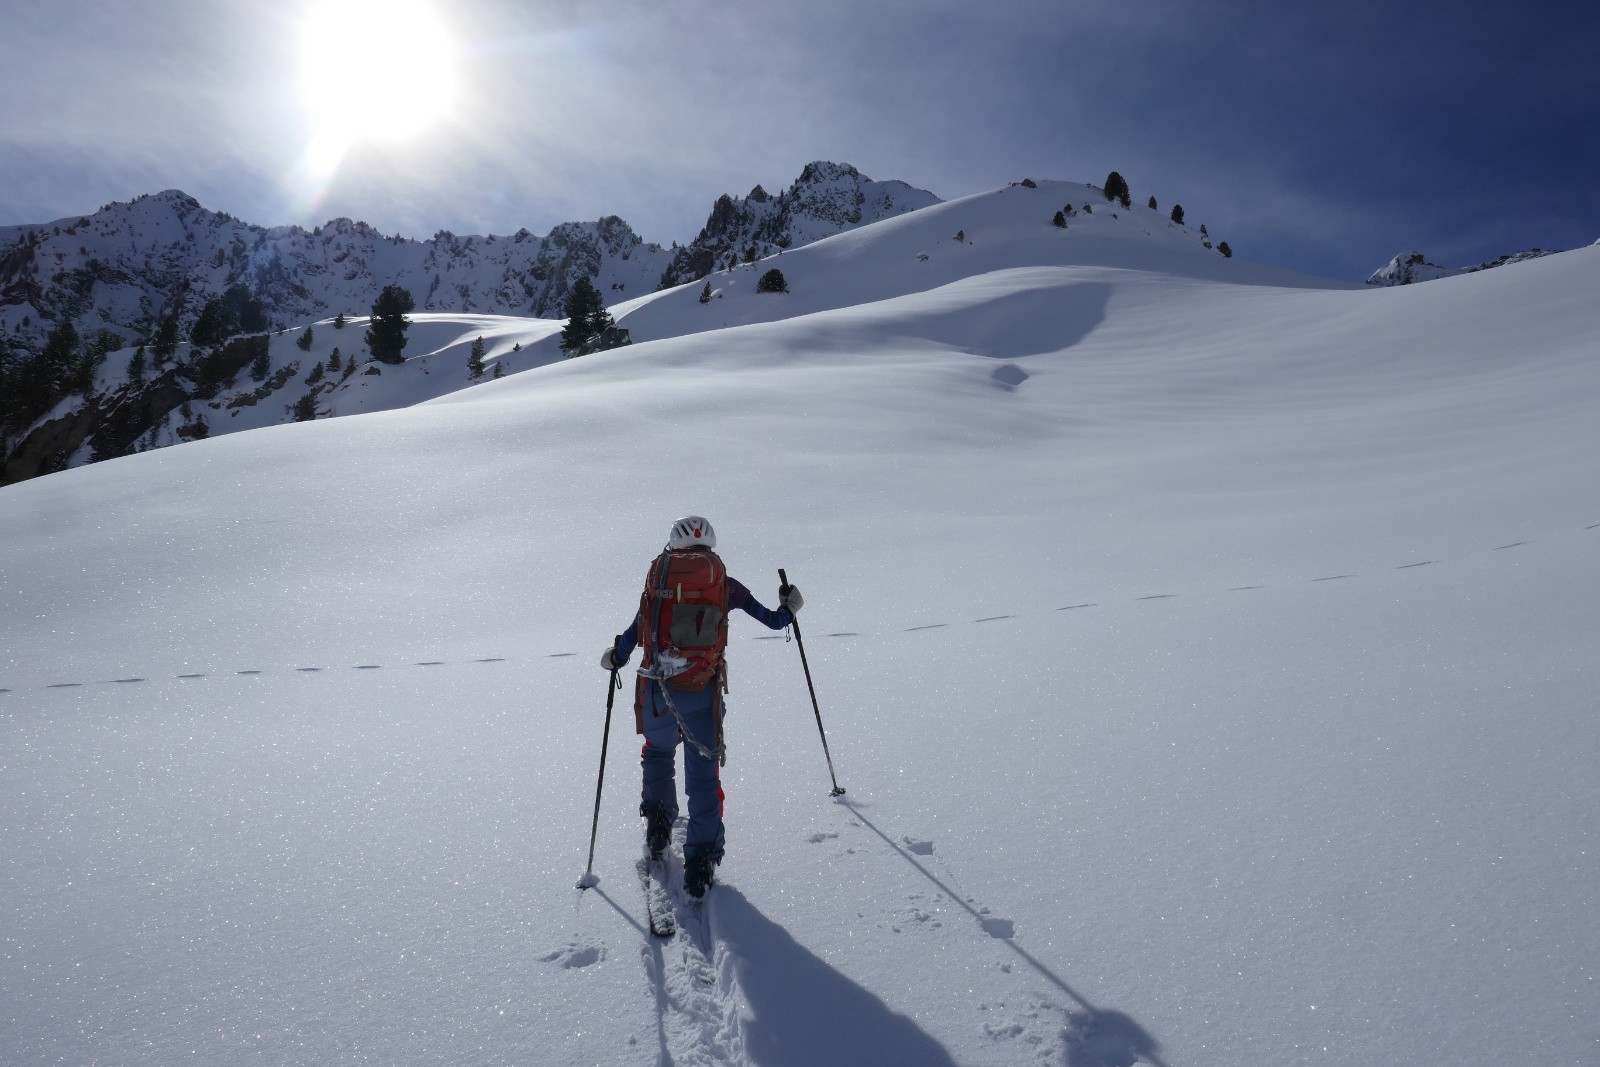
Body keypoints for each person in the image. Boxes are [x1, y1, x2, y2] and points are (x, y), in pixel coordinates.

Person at [601, 516, 802, 897]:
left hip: (656, 691)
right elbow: (775, 621)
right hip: (701, 692)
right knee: (704, 779)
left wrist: (617, 657)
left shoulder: (658, 582)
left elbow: (635, 632)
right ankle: (700, 860)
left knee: (658, 753)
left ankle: (659, 822)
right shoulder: (724, 584)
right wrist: (790, 605)